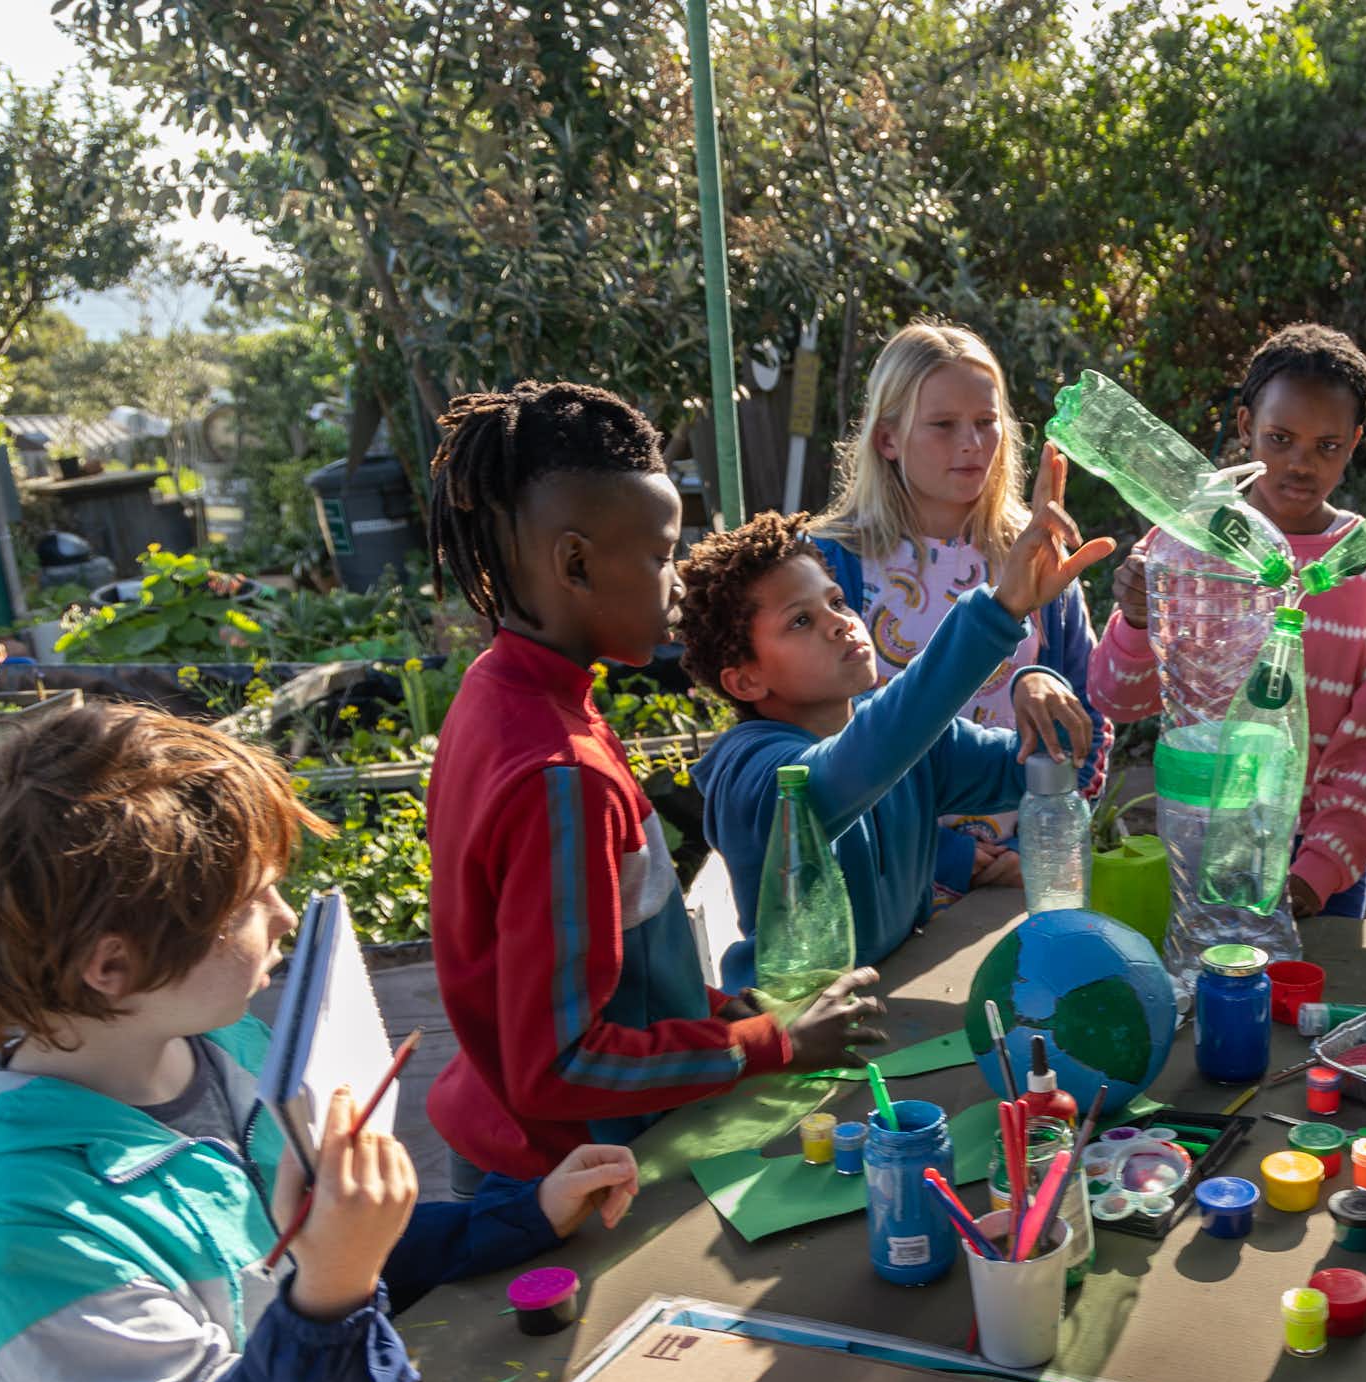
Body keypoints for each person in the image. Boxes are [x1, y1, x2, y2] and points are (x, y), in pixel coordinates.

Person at [0, 704, 642, 1382]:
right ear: (112, 966)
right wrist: (334, 1287)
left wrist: (518, 1213)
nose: (284, 917)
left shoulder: (223, 1049)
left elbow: (313, 1251)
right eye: (247, 900)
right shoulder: (8, 1219)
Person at [420, 380, 883, 1182]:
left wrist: (714, 1011)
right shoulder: (560, 775)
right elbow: (560, 1063)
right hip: (553, 1173)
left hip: (521, 1137)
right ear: (575, 563)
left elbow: (605, 967)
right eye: (663, 555)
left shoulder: (503, 691)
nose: (677, 583)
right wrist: (771, 1043)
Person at [685, 450, 1109, 987]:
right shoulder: (751, 774)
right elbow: (857, 761)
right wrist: (999, 614)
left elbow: (1041, 769)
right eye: (800, 621)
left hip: (894, 995)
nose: (839, 624)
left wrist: (1040, 690)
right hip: (797, 1037)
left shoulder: (908, 742)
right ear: (745, 680)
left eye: (837, 602)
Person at [1090, 322, 1366, 917]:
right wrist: (1138, 621)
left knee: (1303, 1006)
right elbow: (1118, 699)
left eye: (1327, 446)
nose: (1300, 464)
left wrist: (1312, 876)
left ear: (1354, 443)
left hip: (1318, 873)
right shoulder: (1188, 544)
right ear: (1246, 427)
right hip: (1198, 841)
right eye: (1280, 438)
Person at [807, 321, 1108, 900]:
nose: (972, 443)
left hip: (1022, 878)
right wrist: (943, 852)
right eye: (943, 425)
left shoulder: (1037, 554)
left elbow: (1088, 714)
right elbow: (819, 740)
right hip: (885, 880)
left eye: (986, 422)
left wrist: (1042, 845)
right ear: (887, 438)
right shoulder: (828, 563)